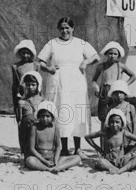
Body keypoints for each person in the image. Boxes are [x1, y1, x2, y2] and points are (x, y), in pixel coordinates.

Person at [38, 17, 99, 156]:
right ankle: (63, 148)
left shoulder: (80, 43)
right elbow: (40, 62)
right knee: (62, 112)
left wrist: (85, 62)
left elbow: (96, 57)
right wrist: (49, 68)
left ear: (72, 29)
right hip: (58, 82)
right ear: (58, 29)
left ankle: (78, 148)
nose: (65, 30)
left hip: (76, 82)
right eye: (62, 28)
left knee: (77, 113)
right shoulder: (52, 43)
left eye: (67, 28)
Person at [25, 101, 82, 173]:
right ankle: (49, 169)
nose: (45, 118)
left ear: (52, 117)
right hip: (39, 158)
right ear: (38, 116)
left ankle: (58, 167)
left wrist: (55, 160)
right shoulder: (34, 128)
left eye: (47, 116)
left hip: (53, 158)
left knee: (77, 158)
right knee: (30, 160)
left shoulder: (55, 127)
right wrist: (44, 161)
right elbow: (31, 148)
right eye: (42, 116)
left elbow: (58, 147)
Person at [85, 109, 136, 174]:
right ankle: (118, 169)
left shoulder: (123, 132)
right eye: (112, 122)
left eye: (117, 122)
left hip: (122, 160)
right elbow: (87, 137)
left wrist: (130, 153)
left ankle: (120, 170)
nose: (114, 124)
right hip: (108, 161)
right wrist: (98, 149)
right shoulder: (105, 132)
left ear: (122, 123)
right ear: (108, 122)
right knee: (101, 161)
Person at [92, 41, 136, 125]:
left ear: (119, 55)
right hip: (104, 91)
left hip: (116, 91)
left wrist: (124, 85)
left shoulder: (121, 66)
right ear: (106, 54)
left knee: (116, 113)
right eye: (110, 53)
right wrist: (96, 87)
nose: (112, 56)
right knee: (104, 114)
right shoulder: (101, 66)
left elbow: (133, 76)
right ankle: (104, 134)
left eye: (115, 54)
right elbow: (94, 80)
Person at [12, 40, 41, 119]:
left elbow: (39, 82)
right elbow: (15, 85)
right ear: (19, 53)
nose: (25, 55)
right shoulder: (15, 66)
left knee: (34, 116)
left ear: (31, 54)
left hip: (33, 95)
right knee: (21, 118)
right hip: (21, 95)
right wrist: (15, 100)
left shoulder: (36, 65)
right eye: (23, 53)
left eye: (28, 53)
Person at [17, 71, 44, 156]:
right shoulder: (21, 102)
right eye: (28, 85)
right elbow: (20, 125)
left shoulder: (43, 101)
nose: (30, 87)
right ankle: (24, 151)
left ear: (38, 85)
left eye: (33, 85)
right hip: (26, 133)